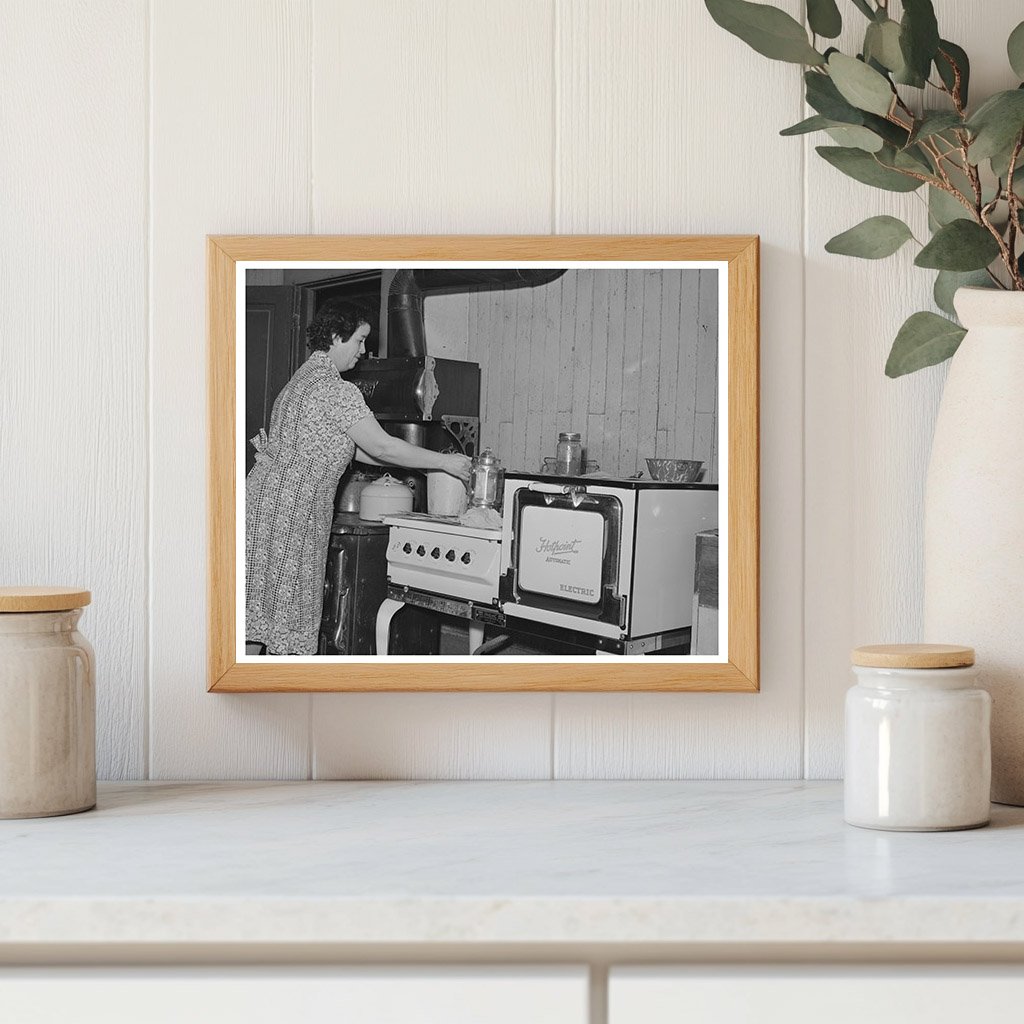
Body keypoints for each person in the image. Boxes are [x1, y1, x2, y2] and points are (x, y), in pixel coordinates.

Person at [245, 304, 471, 655]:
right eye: (360, 340)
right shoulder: (338, 391)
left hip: (265, 508)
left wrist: (421, 466)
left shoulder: (301, 380)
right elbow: (382, 445)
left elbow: (357, 448)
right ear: (337, 337)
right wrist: (445, 463)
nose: (364, 350)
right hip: (291, 517)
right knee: (284, 620)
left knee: (260, 619)